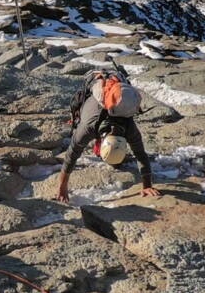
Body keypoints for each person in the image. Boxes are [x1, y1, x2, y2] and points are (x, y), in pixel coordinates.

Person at [55, 70, 159, 201]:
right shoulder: (87, 127)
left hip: (117, 98)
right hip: (95, 94)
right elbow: (72, 153)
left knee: (116, 162)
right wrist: (62, 186)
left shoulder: (129, 127)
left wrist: (147, 186)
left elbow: (140, 153)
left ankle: (109, 155)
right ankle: (103, 151)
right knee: (101, 152)